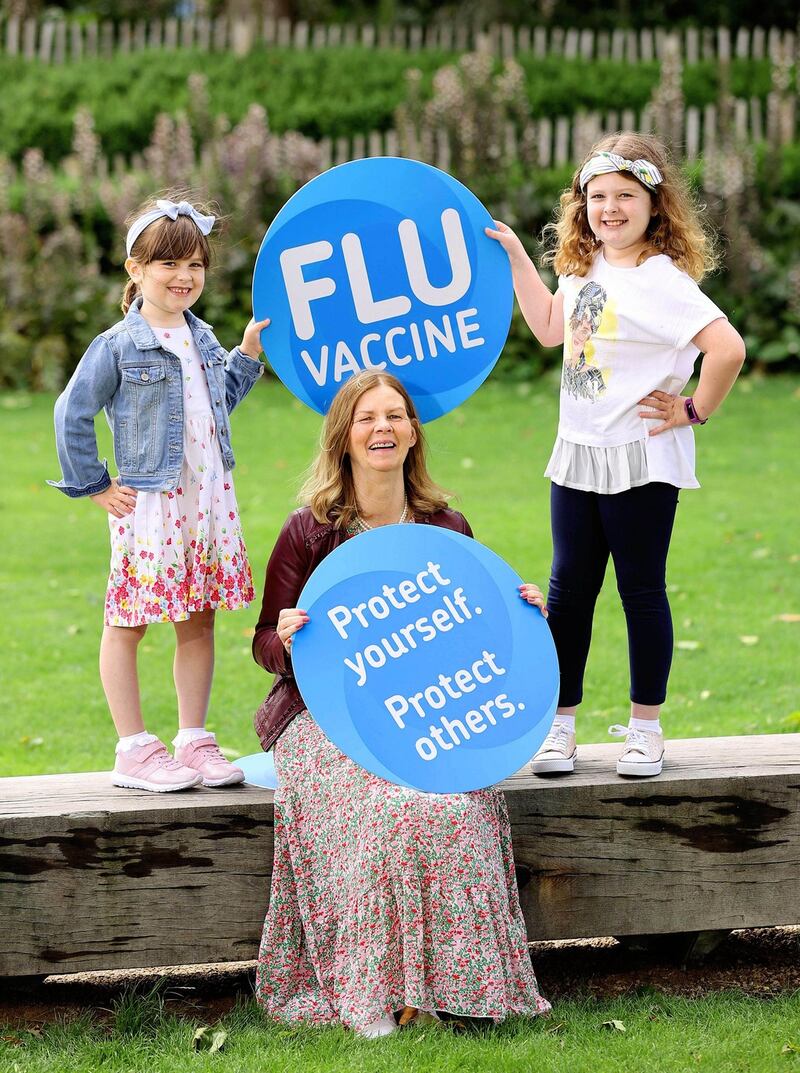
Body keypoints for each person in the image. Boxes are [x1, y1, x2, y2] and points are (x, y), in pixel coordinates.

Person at [251, 370, 551, 1037]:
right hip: (322, 719)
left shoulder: (447, 525)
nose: (382, 428)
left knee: (451, 804)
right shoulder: (310, 530)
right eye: (366, 418)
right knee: (391, 807)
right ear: (345, 437)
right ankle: (385, 988)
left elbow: (471, 632)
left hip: (424, 712)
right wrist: (289, 638)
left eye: (394, 416)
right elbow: (263, 642)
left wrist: (520, 612)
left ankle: (466, 989)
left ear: (414, 432)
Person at [486, 132, 746, 778]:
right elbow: (550, 327)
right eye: (597, 196)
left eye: (625, 195)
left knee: (639, 591)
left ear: (654, 206)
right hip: (577, 454)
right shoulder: (581, 268)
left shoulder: (662, 280)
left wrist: (694, 409)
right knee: (568, 591)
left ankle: (644, 731)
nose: (610, 208)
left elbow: (729, 348)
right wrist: (521, 256)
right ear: (582, 204)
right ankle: (560, 728)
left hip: (639, 461)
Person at [50, 193, 269, 792]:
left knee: (198, 619)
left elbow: (215, 402)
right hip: (150, 506)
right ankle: (133, 748)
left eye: (194, 264)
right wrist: (94, 484)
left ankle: (193, 739)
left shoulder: (202, 338)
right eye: (168, 264)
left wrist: (246, 353)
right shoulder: (119, 344)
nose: (184, 277)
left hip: (205, 502)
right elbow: (72, 412)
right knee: (129, 621)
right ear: (136, 270)